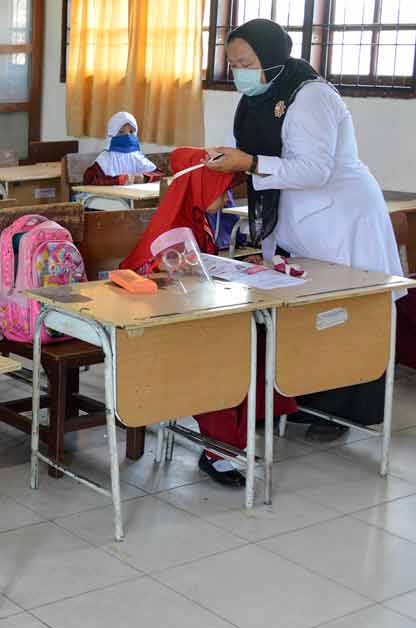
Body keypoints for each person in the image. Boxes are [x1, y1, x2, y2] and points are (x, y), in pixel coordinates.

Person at [206, 18, 403, 442]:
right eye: (233, 64)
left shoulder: (311, 95)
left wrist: (249, 165)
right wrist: (219, 173)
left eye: (246, 63)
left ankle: (340, 411)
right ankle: (298, 399)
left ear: (271, 57)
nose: (239, 72)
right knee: (306, 313)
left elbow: (315, 169)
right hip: (300, 216)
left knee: (343, 312)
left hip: (341, 216)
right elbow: (240, 151)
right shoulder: (254, 99)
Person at [123, 148, 298, 486]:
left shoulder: (195, 215)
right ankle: (221, 447)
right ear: (200, 185)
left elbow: (201, 272)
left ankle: (239, 431)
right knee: (219, 355)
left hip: (198, 312)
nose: (227, 196)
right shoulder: (172, 227)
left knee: (261, 339)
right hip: (167, 323)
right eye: (220, 188)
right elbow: (167, 283)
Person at [83, 112, 166, 186]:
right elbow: (89, 180)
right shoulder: (106, 158)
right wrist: (120, 180)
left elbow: (159, 174)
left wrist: (145, 177)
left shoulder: (137, 156)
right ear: (112, 133)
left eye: (131, 132)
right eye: (121, 132)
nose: (127, 136)